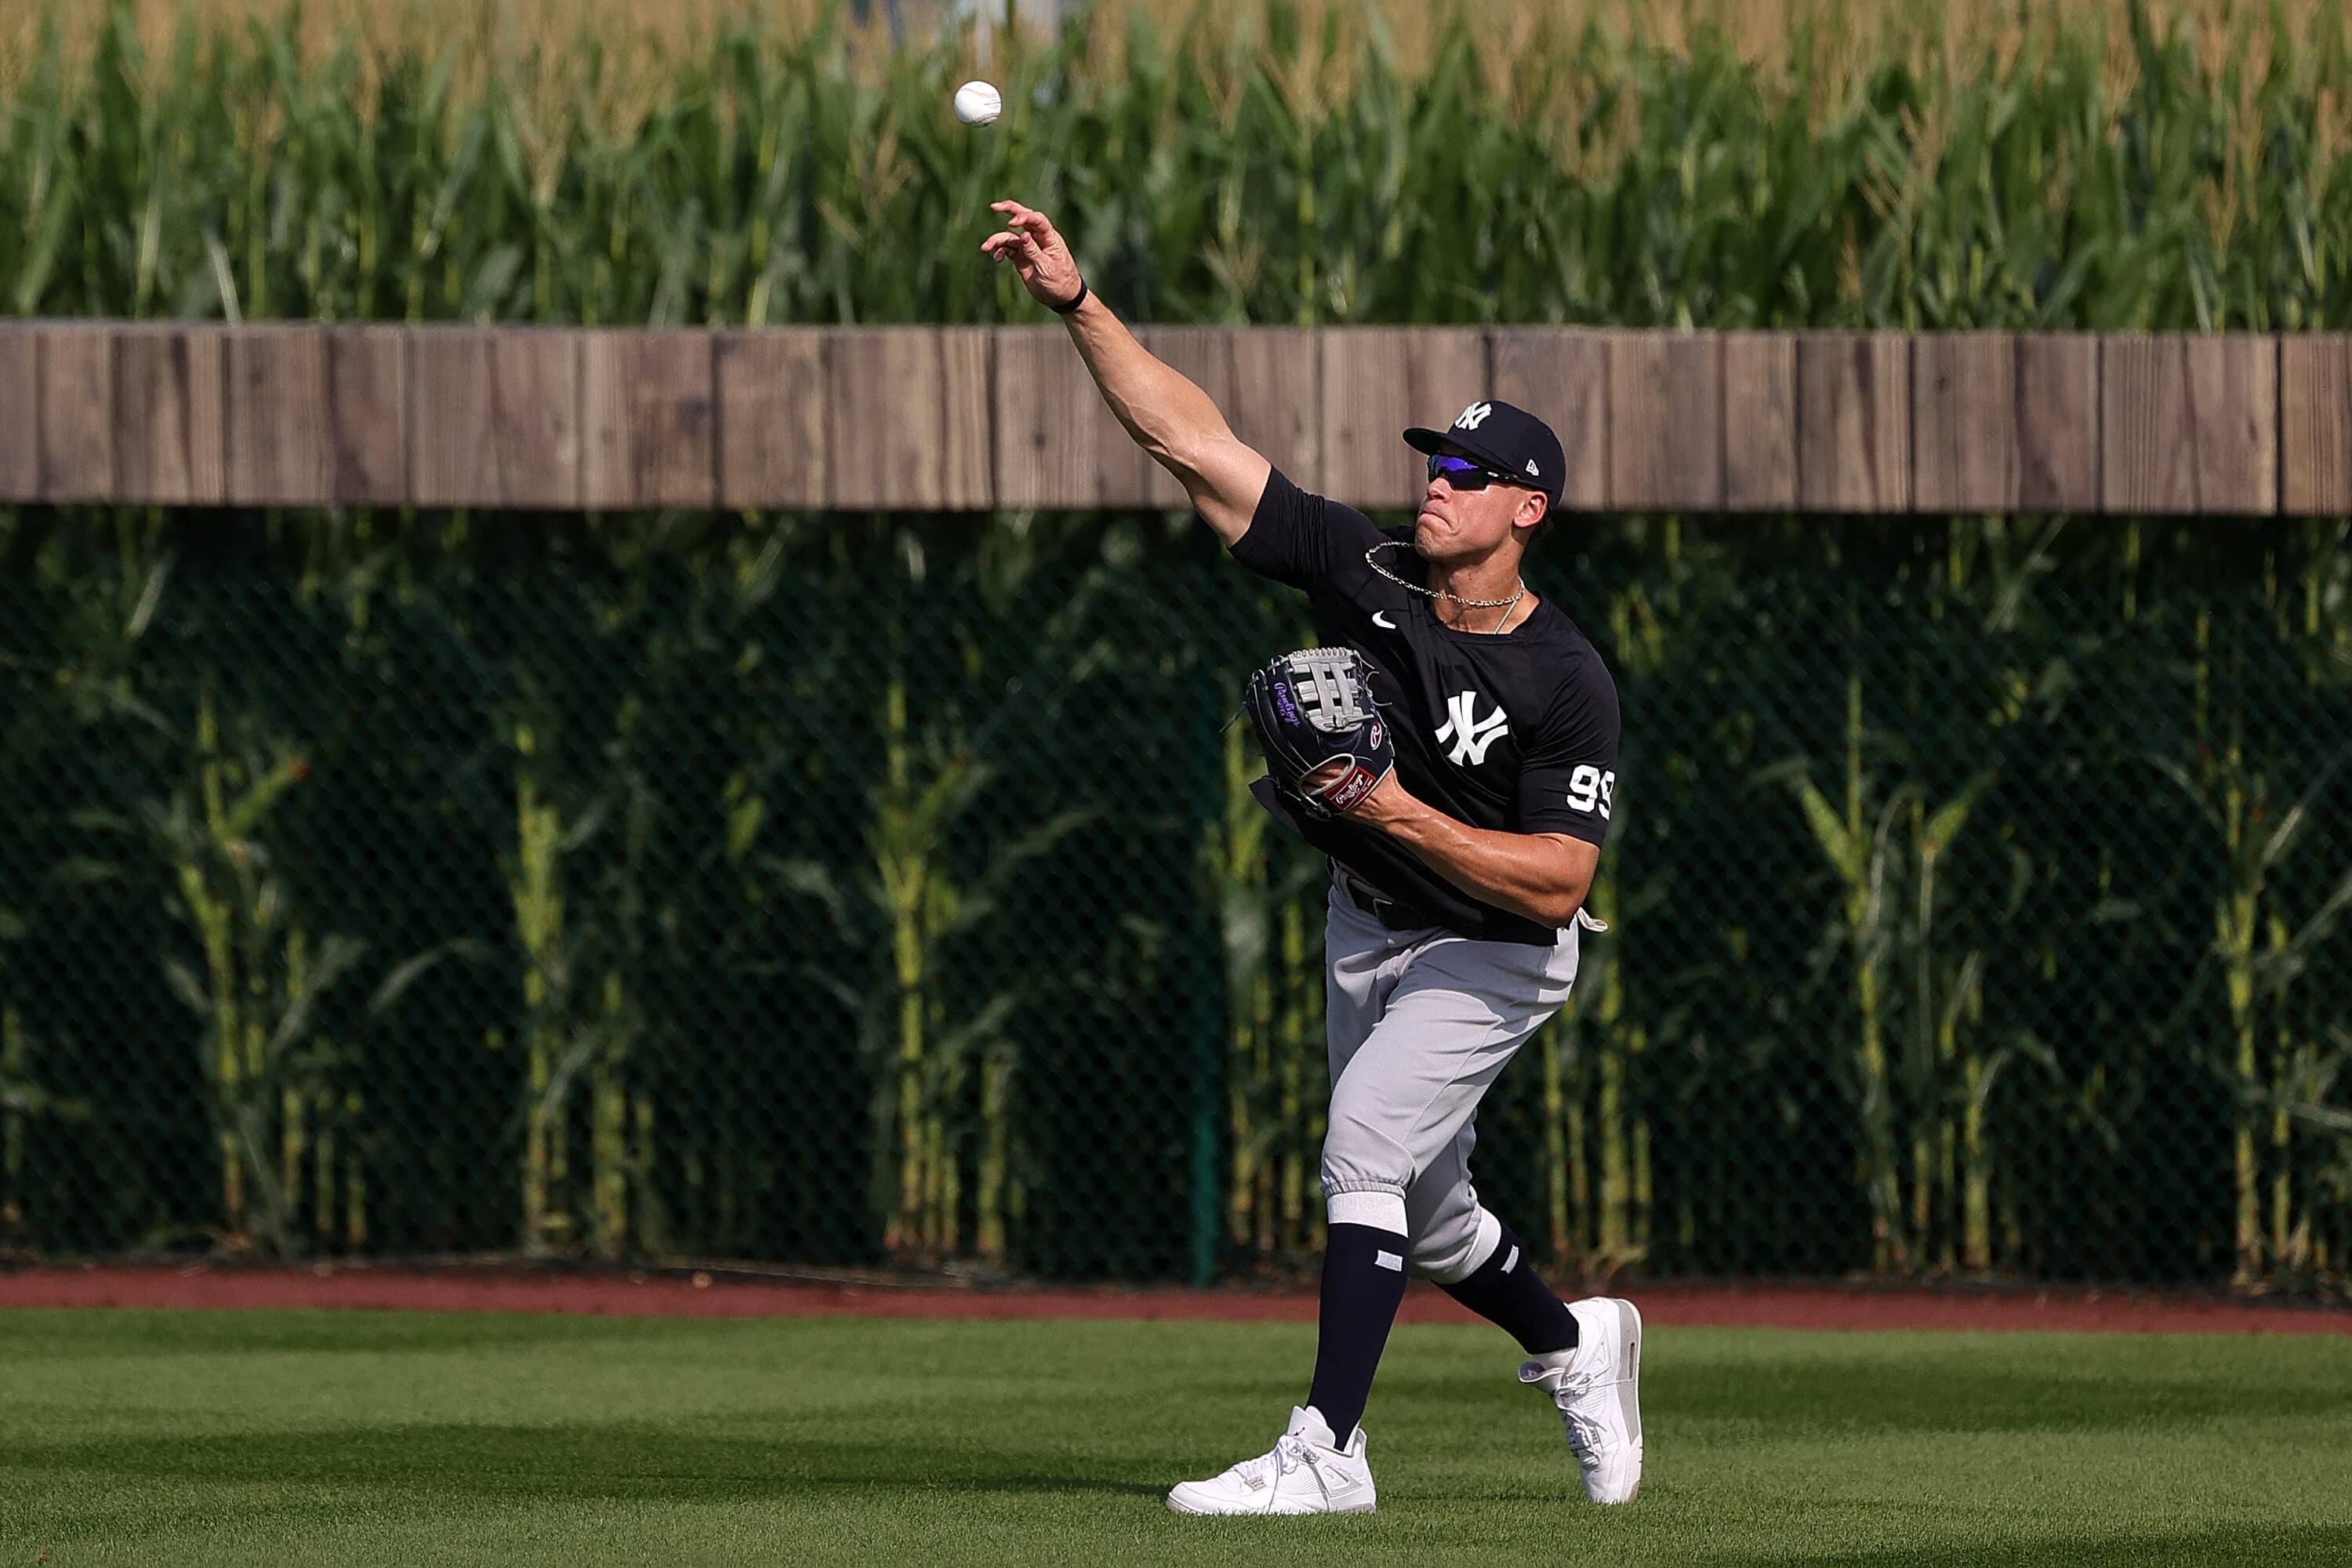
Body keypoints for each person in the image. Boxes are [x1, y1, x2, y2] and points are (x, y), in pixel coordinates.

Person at [982, 200, 1640, 1515]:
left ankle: (1328, 1453)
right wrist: (1078, 304)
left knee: (1359, 1149)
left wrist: (1392, 810)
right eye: (1432, 466)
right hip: (1369, 925)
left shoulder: (1568, 679)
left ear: (1529, 507)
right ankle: (1579, 1345)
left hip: (1499, 951)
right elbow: (1192, 440)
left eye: (1464, 475)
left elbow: (1561, 883)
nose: (1434, 486)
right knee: (1436, 1218)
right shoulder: (1367, 571)